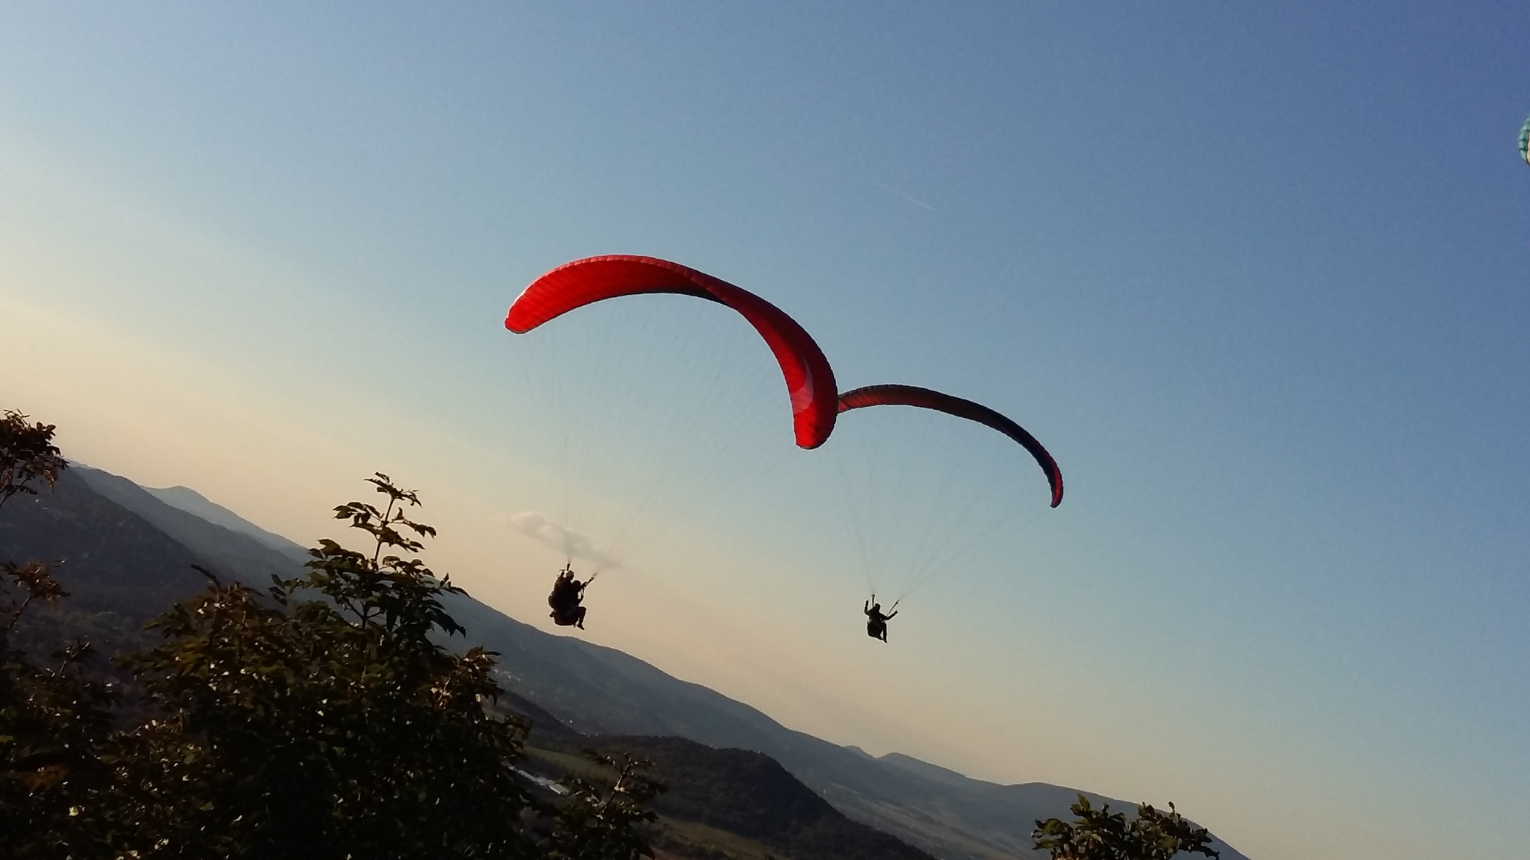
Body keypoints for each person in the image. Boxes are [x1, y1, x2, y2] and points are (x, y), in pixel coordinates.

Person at [548, 564, 588, 629]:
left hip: (553, 600)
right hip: (559, 602)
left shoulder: (560, 581)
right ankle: (579, 623)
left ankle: (554, 611)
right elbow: (571, 594)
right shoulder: (567, 585)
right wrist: (581, 588)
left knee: (564, 603)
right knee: (581, 609)